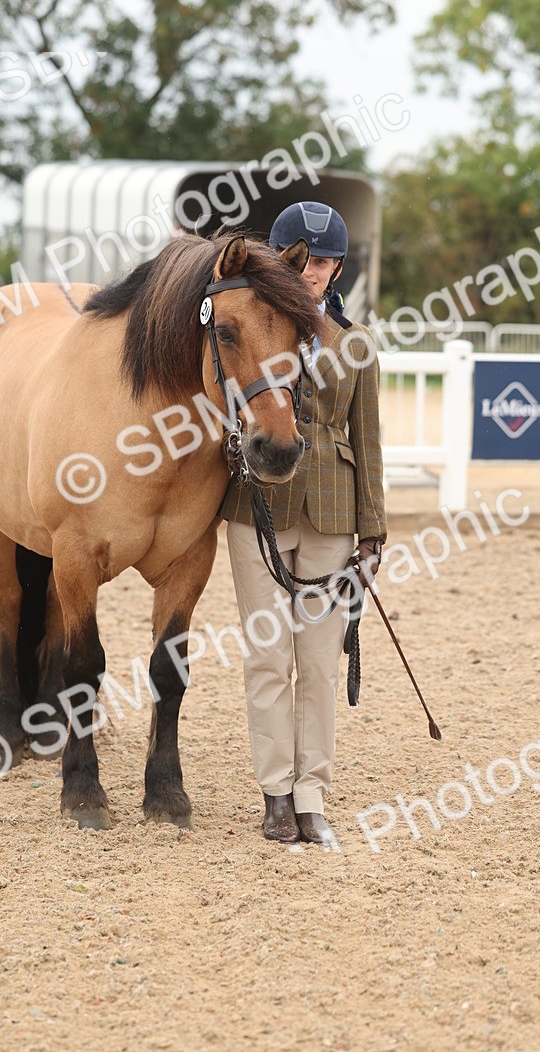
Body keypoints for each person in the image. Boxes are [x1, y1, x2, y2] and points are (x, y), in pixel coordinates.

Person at [221, 200, 387, 849]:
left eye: (326, 261)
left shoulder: (356, 342)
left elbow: (368, 440)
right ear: (281, 262)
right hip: (256, 509)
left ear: (338, 266)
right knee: (267, 658)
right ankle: (275, 795)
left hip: (333, 515)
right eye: (306, 259)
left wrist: (372, 532)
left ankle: (313, 795)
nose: (315, 271)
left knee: (318, 661)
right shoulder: (250, 327)